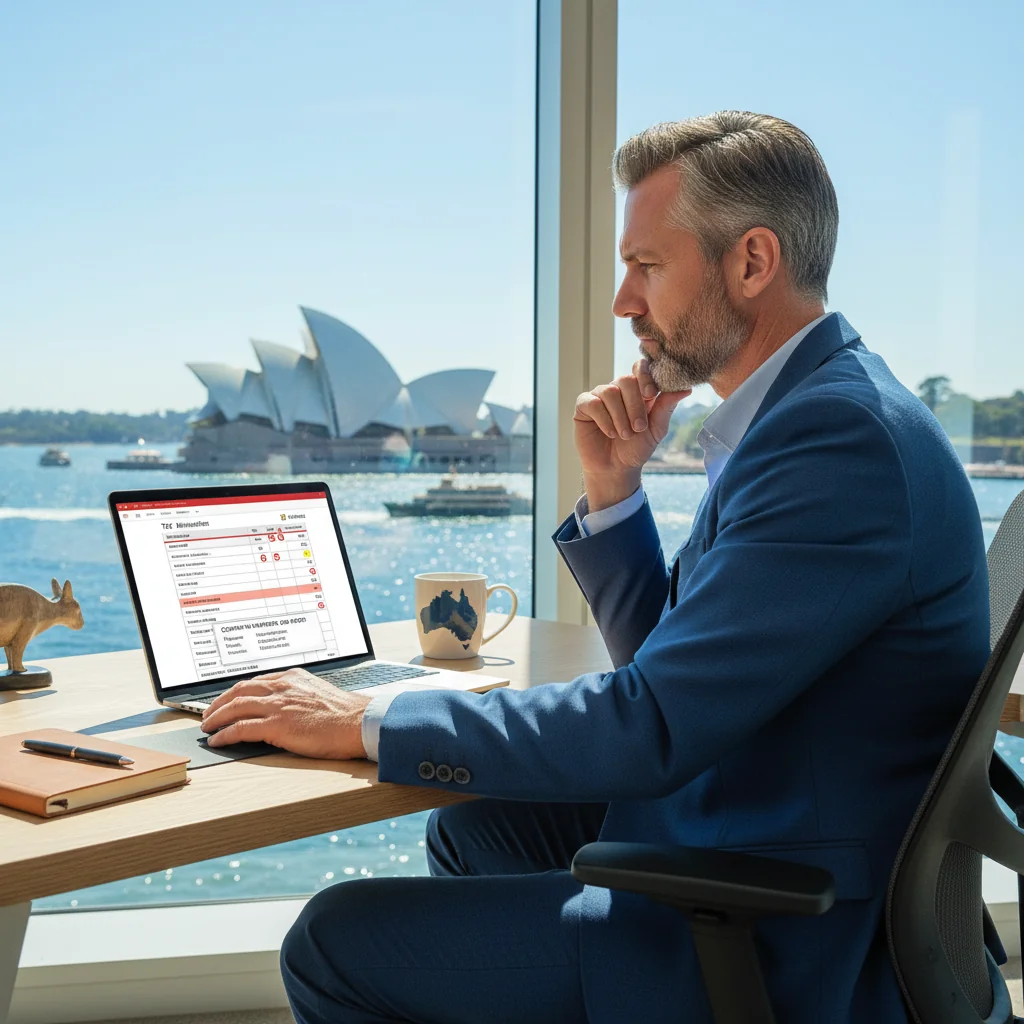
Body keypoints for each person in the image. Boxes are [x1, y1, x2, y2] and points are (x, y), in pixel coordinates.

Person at [199, 111, 990, 1023]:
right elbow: (682, 675)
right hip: (763, 817)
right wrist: (614, 491)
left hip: (802, 931)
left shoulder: (835, 440)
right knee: (474, 828)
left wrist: (366, 719)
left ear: (752, 262)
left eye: (648, 266)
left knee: (331, 942)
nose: (624, 300)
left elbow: (653, 723)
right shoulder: (813, 412)